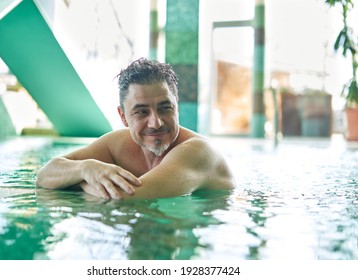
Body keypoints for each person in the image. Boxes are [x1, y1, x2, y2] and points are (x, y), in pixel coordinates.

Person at [36, 58, 235, 200]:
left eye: (165, 108)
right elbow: (45, 176)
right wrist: (86, 168)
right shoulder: (116, 144)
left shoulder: (199, 151)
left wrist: (76, 180)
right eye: (141, 112)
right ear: (123, 117)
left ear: (177, 107)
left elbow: (126, 198)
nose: (156, 122)